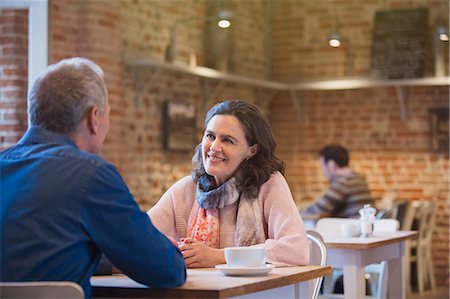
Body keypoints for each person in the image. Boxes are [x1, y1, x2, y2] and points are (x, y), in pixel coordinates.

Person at [0, 58, 186, 297]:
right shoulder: (91, 175)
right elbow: (167, 270)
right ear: (93, 117)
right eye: (108, 115)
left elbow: (34, 255)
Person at [148, 100, 309, 268]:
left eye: (227, 140)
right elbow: (138, 237)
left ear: (252, 150)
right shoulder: (185, 189)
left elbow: (296, 250)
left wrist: (218, 257)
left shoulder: (269, 185)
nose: (214, 147)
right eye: (210, 136)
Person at [302, 144, 373, 218]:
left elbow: (320, 208)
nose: (323, 171)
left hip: (354, 226)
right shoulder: (358, 177)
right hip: (362, 225)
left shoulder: (344, 181)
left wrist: (300, 213)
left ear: (331, 164)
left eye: (323, 166)